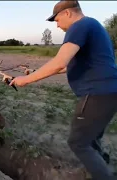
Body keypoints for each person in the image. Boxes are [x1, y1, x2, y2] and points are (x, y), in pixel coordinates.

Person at [9, 0, 117, 180]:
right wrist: (35, 73)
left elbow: (59, 62)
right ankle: (100, 166)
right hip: (109, 93)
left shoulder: (79, 26)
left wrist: (24, 80)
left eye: (57, 20)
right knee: (91, 137)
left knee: (78, 143)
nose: (58, 26)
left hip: (96, 94)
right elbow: (65, 67)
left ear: (67, 13)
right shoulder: (94, 25)